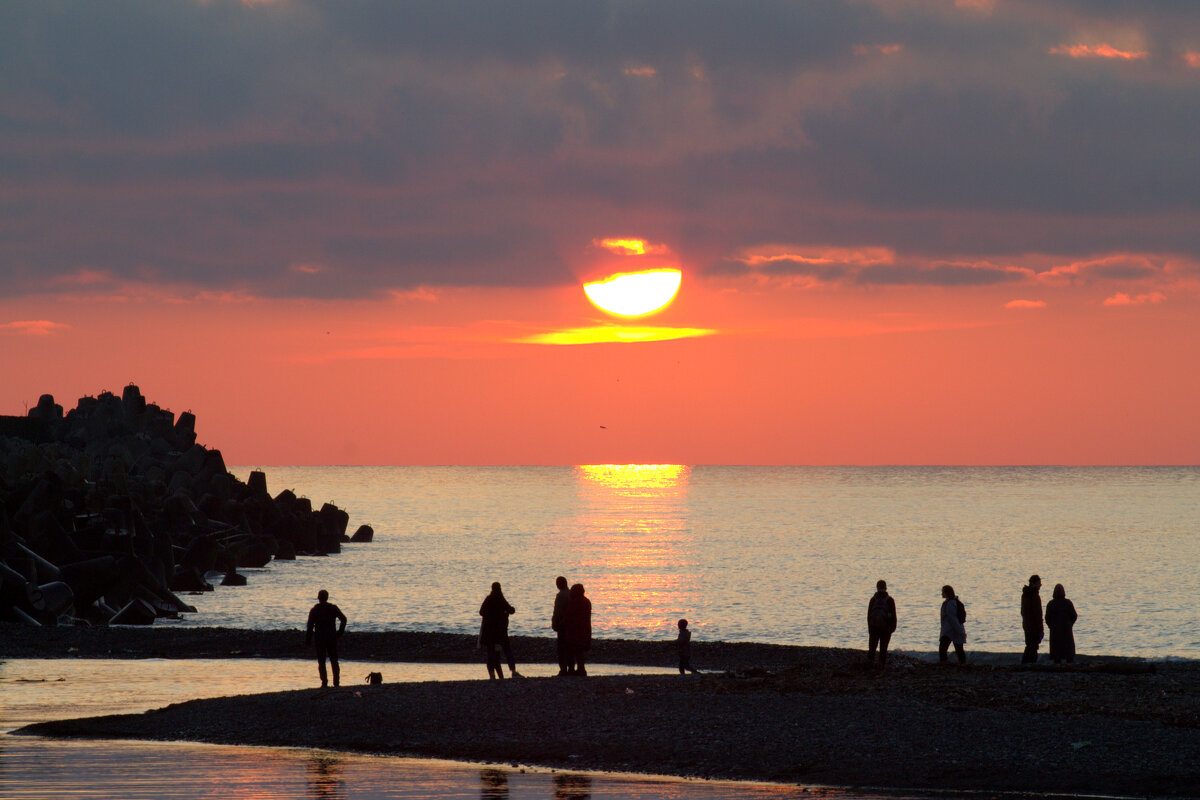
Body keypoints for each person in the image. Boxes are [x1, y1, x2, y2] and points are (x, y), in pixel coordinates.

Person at [479, 581, 521, 679]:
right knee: (507, 650)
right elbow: (511, 610)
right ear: (500, 588)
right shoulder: (501, 599)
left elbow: (481, 612)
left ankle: (492, 674)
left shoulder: (489, 599)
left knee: (490, 652)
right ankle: (513, 671)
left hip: (489, 631)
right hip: (501, 631)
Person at [305, 589, 347, 687]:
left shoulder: (315, 609)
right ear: (327, 597)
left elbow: (310, 626)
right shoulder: (333, 608)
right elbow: (344, 619)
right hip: (331, 637)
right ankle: (336, 682)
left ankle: (324, 683)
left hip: (320, 638)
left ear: (319, 598)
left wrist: (308, 639)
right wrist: (340, 633)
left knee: (322, 661)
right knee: (334, 660)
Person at [867, 579, 898, 668]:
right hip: (885, 628)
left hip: (874, 627)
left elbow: (869, 615)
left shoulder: (873, 599)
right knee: (883, 649)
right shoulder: (889, 600)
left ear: (877, 588)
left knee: (872, 648)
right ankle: (881, 665)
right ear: (886, 588)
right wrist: (892, 626)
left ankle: (870, 664)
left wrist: (869, 627)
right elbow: (891, 613)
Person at [1044, 583, 1078, 664]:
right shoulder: (1068, 603)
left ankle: (1057, 662)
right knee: (1068, 649)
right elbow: (1074, 615)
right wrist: (1070, 624)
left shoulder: (1051, 604)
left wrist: (1051, 626)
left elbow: (1047, 618)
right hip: (1067, 629)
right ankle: (1069, 662)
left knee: (1056, 649)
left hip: (1055, 630)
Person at [563, 582, 592, 676]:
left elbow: (568, 616)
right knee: (580, 652)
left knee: (572, 651)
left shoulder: (575, 602)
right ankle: (581, 669)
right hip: (584, 629)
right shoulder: (586, 601)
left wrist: (561, 624)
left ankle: (572, 670)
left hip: (574, 630)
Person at [939, 585, 967, 665]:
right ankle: (962, 664)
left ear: (947, 593)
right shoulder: (951, 602)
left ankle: (945, 664)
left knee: (943, 649)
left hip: (950, 630)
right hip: (952, 630)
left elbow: (953, 619)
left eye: (943, 592)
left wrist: (960, 631)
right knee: (959, 649)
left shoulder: (950, 604)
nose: (941, 593)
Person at [551, 575, 571, 676]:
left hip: (562, 625)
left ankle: (563, 669)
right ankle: (571, 668)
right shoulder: (571, 593)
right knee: (570, 647)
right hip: (571, 625)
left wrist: (554, 623)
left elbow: (557, 612)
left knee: (561, 648)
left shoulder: (560, 595)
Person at [1021, 574, 1044, 664]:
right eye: (1039, 584)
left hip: (1027, 625)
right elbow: (1038, 615)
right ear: (1033, 584)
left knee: (1030, 645)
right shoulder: (1034, 596)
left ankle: (1026, 664)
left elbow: (1023, 612)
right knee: (1033, 646)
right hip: (1033, 626)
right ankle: (1029, 664)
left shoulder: (1025, 595)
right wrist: (1040, 629)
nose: (1040, 586)